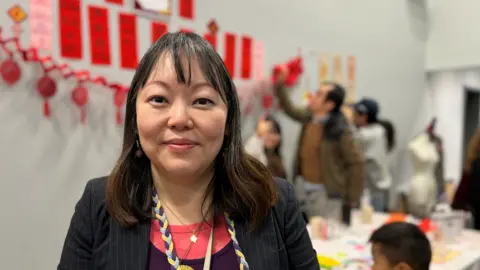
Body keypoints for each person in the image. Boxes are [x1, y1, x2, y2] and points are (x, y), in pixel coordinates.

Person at [58, 32, 318, 270]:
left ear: (228, 121)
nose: (179, 119)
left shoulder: (274, 201)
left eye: (202, 101)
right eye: (159, 99)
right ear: (135, 116)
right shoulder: (99, 204)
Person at [275, 79, 364, 221]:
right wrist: (280, 85)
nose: (313, 97)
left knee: (325, 235)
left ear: (329, 105)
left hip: (327, 194)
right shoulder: (309, 118)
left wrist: (353, 198)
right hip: (303, 188)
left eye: (319, 94)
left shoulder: (341, 129)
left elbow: (356, 163)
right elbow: (290, 110)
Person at [352, 98, 396, 212]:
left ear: (364, 117)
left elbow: (354, 139)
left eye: (355, 114)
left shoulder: (368, 134)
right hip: (378, 186)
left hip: (373, 188)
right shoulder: (380, 130)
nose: (353, 117)